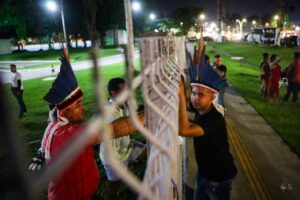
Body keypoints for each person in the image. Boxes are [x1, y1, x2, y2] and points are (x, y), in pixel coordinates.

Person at [40, 56, 144, 200]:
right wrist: (150, 114)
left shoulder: (57, 127)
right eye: (77, 105)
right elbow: (115, 129)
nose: (83, 107)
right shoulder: (68, 134)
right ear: (64, 112)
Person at [178, 64, 237, 200]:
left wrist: (181, 95)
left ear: (212, 97)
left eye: (201, 94)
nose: (195, 98)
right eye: (193, 93)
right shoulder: (202, 110)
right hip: (204, 172)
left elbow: (184, 130)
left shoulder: (214, 118)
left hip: (219, 177)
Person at [99, 77, 146, 199]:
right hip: (113, 157)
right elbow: (130, 123)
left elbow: (136, 111)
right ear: (113, 93)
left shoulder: (125, 104)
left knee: (151, 151)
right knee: (114, 185)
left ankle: (150, 180)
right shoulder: (108, 112)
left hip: (127, 147)